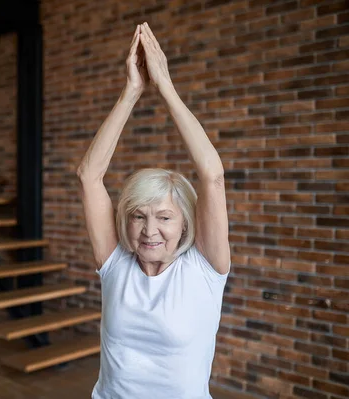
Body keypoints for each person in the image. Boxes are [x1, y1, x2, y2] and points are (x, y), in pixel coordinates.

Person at [77, 22, 231, 398]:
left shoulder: (205, 269)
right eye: (138, 215)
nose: (149, 230)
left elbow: (212, 176)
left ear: (184, 225)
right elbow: (89, 176)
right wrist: (131, 91)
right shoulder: (115, 265)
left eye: (164, 217)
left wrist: (165, 87)